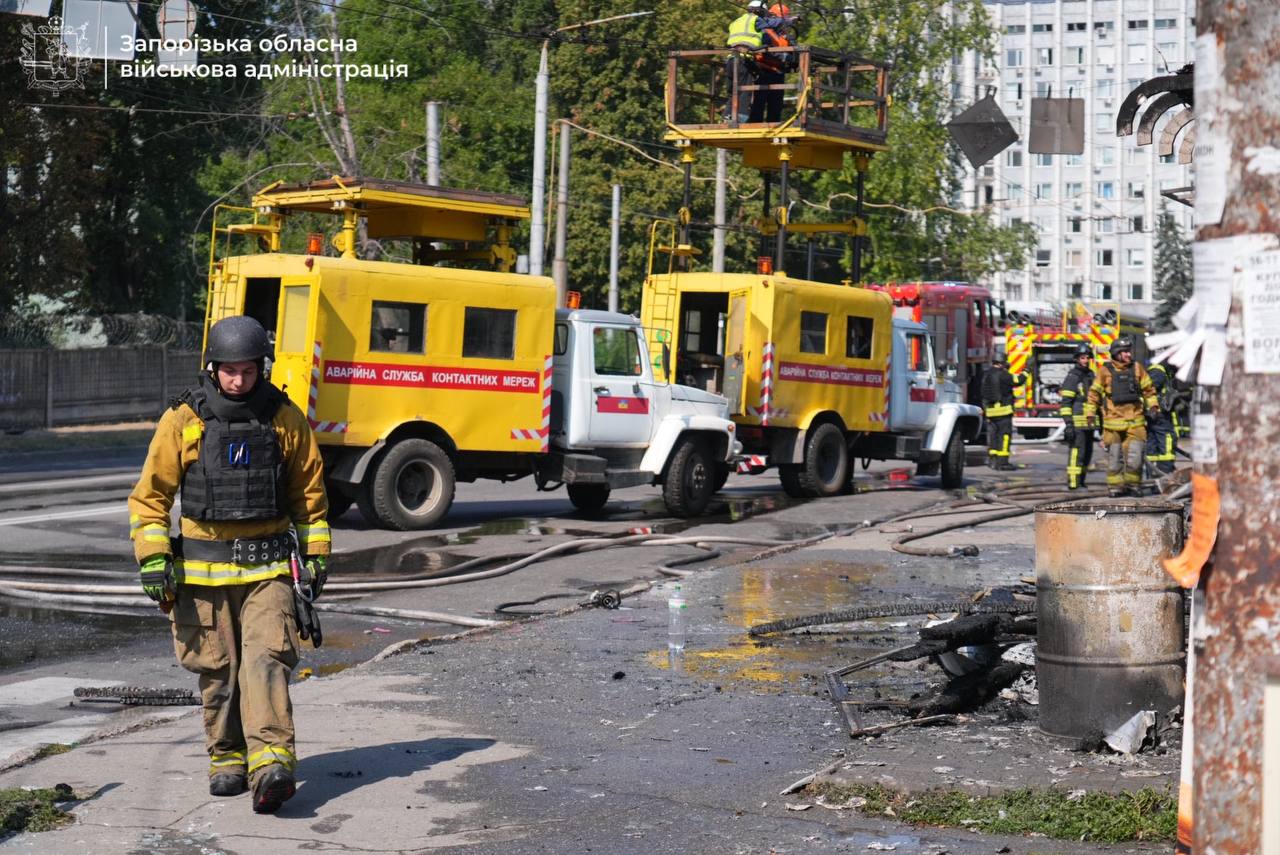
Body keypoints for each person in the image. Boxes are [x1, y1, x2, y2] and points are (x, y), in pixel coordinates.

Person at [129, 315, 331, 814]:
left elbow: (309, 496)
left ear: (261, 367)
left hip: (268, 574)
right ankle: (227, 759)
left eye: (247, 370)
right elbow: (150, 497)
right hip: (200, 577)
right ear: (212, 368)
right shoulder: (183, 419)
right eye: (229, 371)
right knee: (218, 671)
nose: (238, 380)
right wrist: (155, 558)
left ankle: (272, 765)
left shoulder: (285, 419)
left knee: (266, 662)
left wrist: (316, 554)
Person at [1084, 336, 1159, 497]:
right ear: (1117, 353)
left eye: (1129, 352)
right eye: (1124, 352)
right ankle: (1116, 487)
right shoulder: (1105, 371)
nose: (1128, 355)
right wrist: (1090, 414)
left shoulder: (1137, 368)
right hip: (1113, 424)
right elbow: (1094, 394)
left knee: (1135, 458)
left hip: (1135, 422)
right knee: (1114, 459)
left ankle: (1133, 485)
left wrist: (1153, 406)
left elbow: (1149, 391)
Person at [725, 0, 792, 123]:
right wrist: (789, 20)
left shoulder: (737, 22)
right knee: (748, 92)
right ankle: (742, 119)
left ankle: (728, 116)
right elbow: (767, 45)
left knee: (734, 91)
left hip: (733, 59)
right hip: (755, 65)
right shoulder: (760, 24)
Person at [1058, 343, 1095, 490]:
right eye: (1082, 357)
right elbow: (1066, 402)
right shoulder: (1073, 377)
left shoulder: (1091, 375)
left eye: (1087, 357)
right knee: (1077, 453)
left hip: (1090, 423)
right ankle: (1073, 483)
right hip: (1077, 422)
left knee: (1087, 454)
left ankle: (1082, 481)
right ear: (1077, 359)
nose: (1085, 360)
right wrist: (1068, 424)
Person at [980, 355, 1024, 471]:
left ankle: (992, 460)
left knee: (993, 437)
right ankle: (1003, 462)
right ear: (1001, 363)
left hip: (990, 412)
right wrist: (1027, 370)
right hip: (1003, 412)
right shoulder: (1003, 374)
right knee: (1004, 436)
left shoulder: (986, 375)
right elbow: (1018, 381)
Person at [1144, 361, 1178, 476]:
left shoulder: (1160, 371)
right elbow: (1148, 390)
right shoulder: (1158, 372)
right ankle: (1165, 476)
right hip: (1159, 416)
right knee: (1167, 446)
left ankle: (1153, 478)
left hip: (1156, 416)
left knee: (1152, 447)